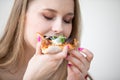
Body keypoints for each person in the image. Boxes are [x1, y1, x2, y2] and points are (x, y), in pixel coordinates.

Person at [0, 0, 94, 80]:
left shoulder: (74, 73)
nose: (60, 28)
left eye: (67, 20)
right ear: (20, 17)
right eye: (48, 16)